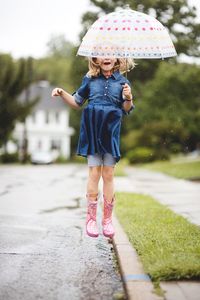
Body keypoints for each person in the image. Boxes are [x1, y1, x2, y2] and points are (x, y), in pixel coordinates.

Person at [52, 57, 135, 238]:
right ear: (96, 59)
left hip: (110, 131)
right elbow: (76, 102)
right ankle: (90, 220)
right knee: (94, 173)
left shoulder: (123, 82)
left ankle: (107, 220)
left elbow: (127, 108)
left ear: (117, 59)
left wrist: (128, 97)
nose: (106, 56)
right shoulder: (90, 79)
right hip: (92, 130)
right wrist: (61, 92)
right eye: (102, 53)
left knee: (109, 174)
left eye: (110, 53)